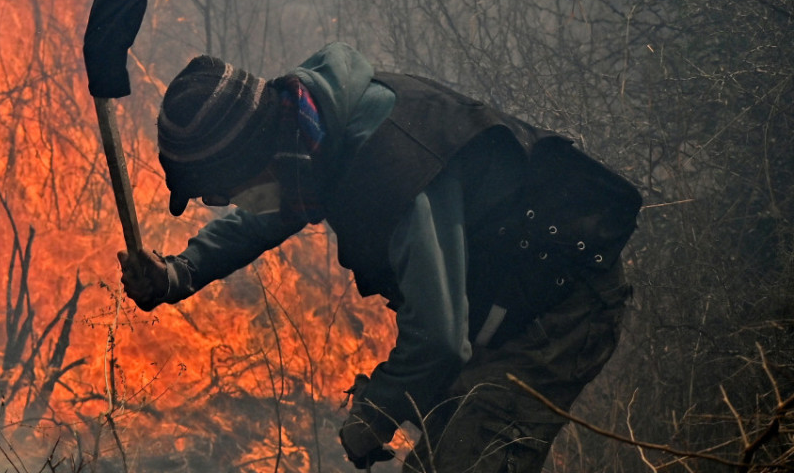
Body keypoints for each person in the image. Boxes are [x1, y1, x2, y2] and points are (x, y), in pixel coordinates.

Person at [118, 42, 640, 471]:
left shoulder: (391, 166)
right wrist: (177, 273)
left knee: (466, 460)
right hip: (499, 304)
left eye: (220, 191)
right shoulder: (314, 128)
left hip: (564, 304)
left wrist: (375, 411)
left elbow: (438, 340)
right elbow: (271, 209)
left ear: (256, 156)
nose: (224, 203)